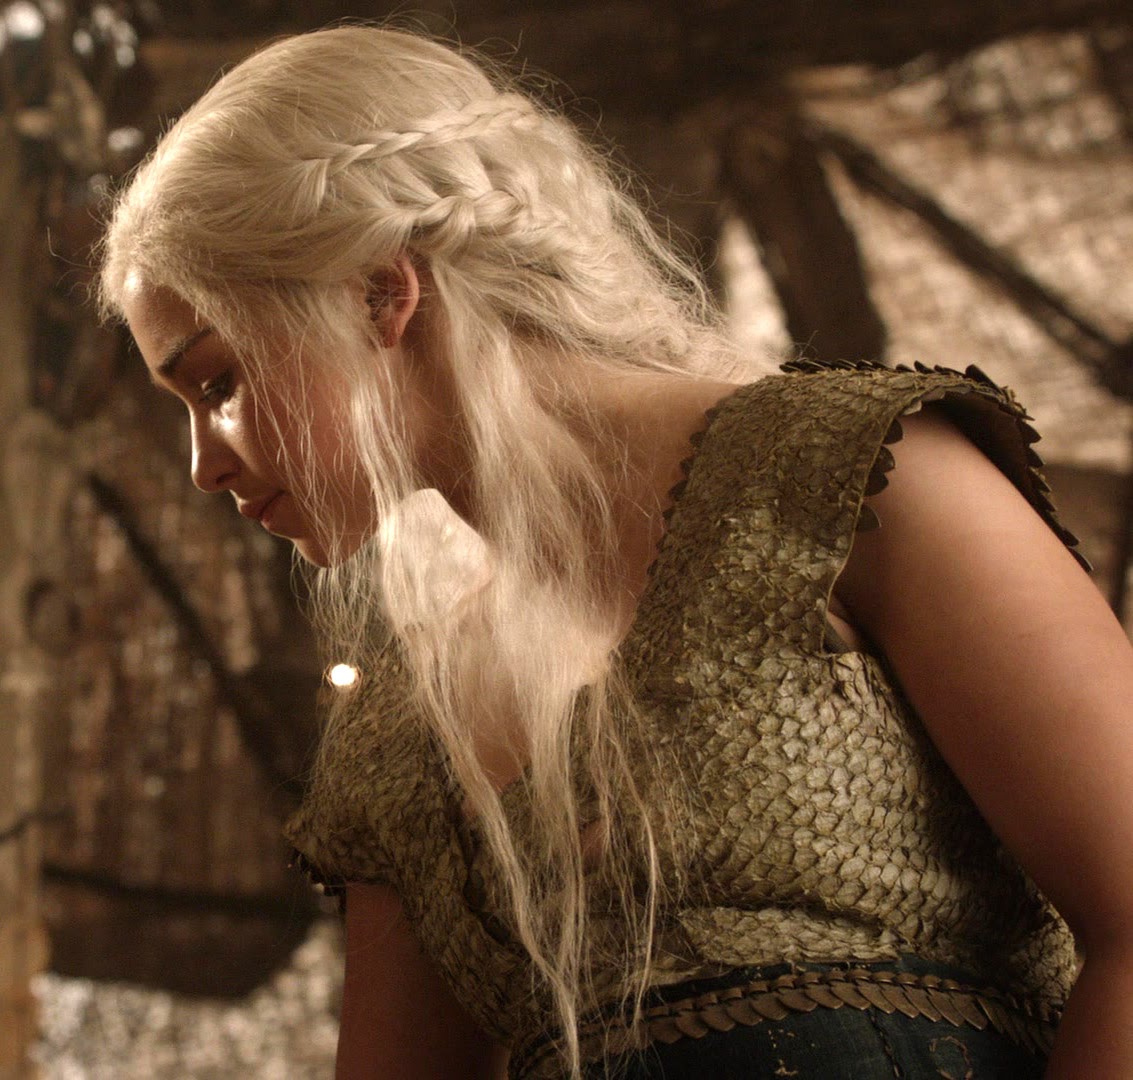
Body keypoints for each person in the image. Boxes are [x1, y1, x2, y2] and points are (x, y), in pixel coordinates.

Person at [99, 25, 1133, 1080]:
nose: (203, 466)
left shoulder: (844, 478)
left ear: (380, 294)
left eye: (217, 383)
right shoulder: (397, 740)